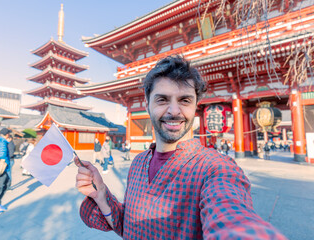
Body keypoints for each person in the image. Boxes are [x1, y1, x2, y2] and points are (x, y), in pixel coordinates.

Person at [74, 56, 286, 239]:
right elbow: (128, 228)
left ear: (195, 106)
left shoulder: (214, 168)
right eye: (163, 99)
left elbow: (229, 213)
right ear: (147, 104)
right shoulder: (138, 163)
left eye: (185, 100)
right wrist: (101, 193)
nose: (174, 111)